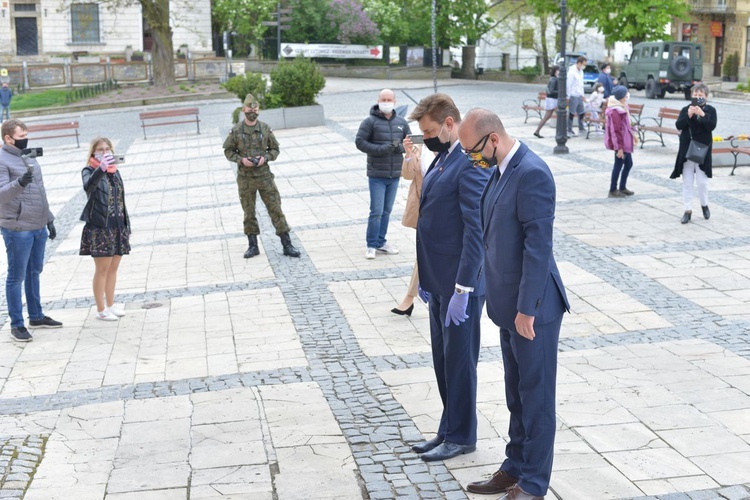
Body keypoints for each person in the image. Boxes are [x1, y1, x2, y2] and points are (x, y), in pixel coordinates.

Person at [458, 109, 569, 500]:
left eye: (471, 151)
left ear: (492, 139)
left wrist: (527, 309)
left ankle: (535, 483)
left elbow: (539, 248)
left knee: (536, 397)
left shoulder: (532, 173)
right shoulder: (497, 170)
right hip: (508, 305)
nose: (471, 159)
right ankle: (515, 466)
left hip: (533, 310)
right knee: (516, 393)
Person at [408, 93, 491, 462]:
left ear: (449, 123)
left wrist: (463, 287)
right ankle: (447, 427)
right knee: (443, 361)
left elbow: (475, 230)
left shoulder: (471, 162)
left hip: (461, 285)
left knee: (459, 362)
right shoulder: (444, 157)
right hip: (439, 281)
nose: (427, 138)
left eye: (429, 130)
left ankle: (462, 435)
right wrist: (426, 279)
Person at [0, 118, 62, 342]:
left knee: (34, 272)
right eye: (21, 137)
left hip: (37, 225)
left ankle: (36, 316)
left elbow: (39, 191)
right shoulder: (2, 159)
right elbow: (1, 195)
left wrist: (49, 218)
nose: (25, 140)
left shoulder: (28, 157)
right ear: (8, 138)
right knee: (16, 277)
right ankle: (17, 324)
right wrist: (20, 183)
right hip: (18, 227)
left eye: (27, 136)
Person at [223, 94, 300, 259]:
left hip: (264, 176)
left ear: (258, 110)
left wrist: (265, 158)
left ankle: (287, 244)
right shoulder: (236, 131)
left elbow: (275, 149)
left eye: (255, 109)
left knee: (275, 209)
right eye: (250, 109)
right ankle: (252, 246)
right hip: (245, 178)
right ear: (244, 110)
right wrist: (241, 160)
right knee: (248, 212)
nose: (252, 112)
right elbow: (228, 151)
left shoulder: (265, 129)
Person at [355, 89, 411, 260]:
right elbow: (360, 142)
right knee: (376, 211)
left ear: (395, 102)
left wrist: (399, 148)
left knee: (387, 211)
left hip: (394, 174)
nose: (386, 102)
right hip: (377, 174)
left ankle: (381, 241)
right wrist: (381, 149)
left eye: (389, 99)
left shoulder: (401, 121)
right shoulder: (369, 122)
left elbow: (409, 142)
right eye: (383, 99)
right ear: (378, 100)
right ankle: (371, 244)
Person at [80, 137, 130, 321]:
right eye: (100, 149)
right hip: (100, 226)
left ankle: (111, 304)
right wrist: (100, 169)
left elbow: (120, 199)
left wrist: (126, 224)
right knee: (102, 269)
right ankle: (101, 310)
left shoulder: (115, 171)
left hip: (118, 224)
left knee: (113, 268)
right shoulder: (89, 170)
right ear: (93, 152)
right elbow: (88, 186)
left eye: (107, 149)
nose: (104, 152)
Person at [391, 137, 433, 316]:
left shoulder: (455, 145)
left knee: (426, 253)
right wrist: (408, 154)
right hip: (423, 206)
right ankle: (412, 297)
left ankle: (411, 297)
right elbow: (407, 175)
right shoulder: (419, 147)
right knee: (424, 252)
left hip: (443, 208)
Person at [670, 83, 717, 224]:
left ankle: (704, 205)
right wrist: (689, 115)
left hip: (702, 150)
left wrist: (702, 114)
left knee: (702, 183)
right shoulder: (686, 109)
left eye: (700, 95)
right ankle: (687, 210)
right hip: (686, 150)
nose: (698, 98)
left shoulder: (710, 110)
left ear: (706, 97)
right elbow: (679, 125)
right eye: (695, 95)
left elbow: (711, 126)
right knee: (687, 182)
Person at [604, 85, 637, 198]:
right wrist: (619, 148)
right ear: (622, 96)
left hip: (625, 141)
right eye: (626, 93)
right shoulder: (615, 111)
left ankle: (622, 187)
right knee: (618, 165)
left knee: (628, 164)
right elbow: (616, 131)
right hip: (620, 143)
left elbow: (626, 123)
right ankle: (613, 190)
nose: (628, 95)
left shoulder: (623, 106)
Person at [533, 66, 559, 139]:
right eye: (558, 70)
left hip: (552, 99)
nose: (559, 72)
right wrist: (560, 92)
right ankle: (562, 133)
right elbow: (551, 90)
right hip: (552, 100)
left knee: (547, 117)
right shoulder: (554, 79)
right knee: (560, 116)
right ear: (555, 71)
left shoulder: (554, 79)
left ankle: (537, 131)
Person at [566, 56, 587, 136]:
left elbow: (581, 84)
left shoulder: (581, 72)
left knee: (581, 112)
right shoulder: (572, 72)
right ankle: (569, 129)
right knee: (572, 113)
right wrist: (568, 96)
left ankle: (581, 128)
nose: (584, 66)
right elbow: (568, 84)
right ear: (579, 63)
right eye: (583, 64)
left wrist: (583, 95)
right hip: (573, 95)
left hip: (579, 95)